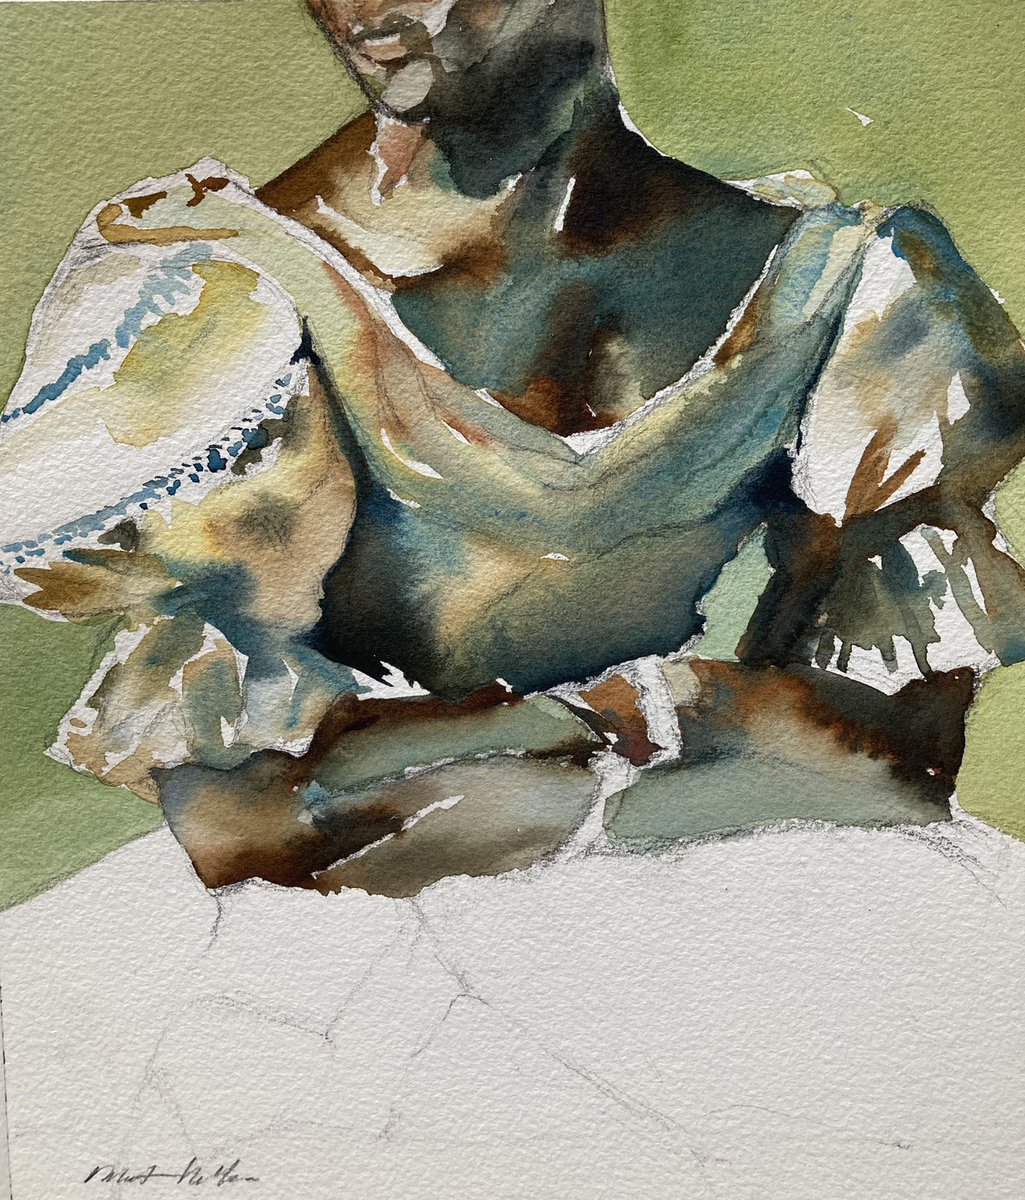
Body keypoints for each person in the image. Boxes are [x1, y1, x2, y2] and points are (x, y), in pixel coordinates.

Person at [2, 0, 1025, 896]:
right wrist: (657, 728)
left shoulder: (852, 287)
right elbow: (247, 818)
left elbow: (890, 752)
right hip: (344, 967)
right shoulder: (217, 294)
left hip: (749, 912)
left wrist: (551, 740)